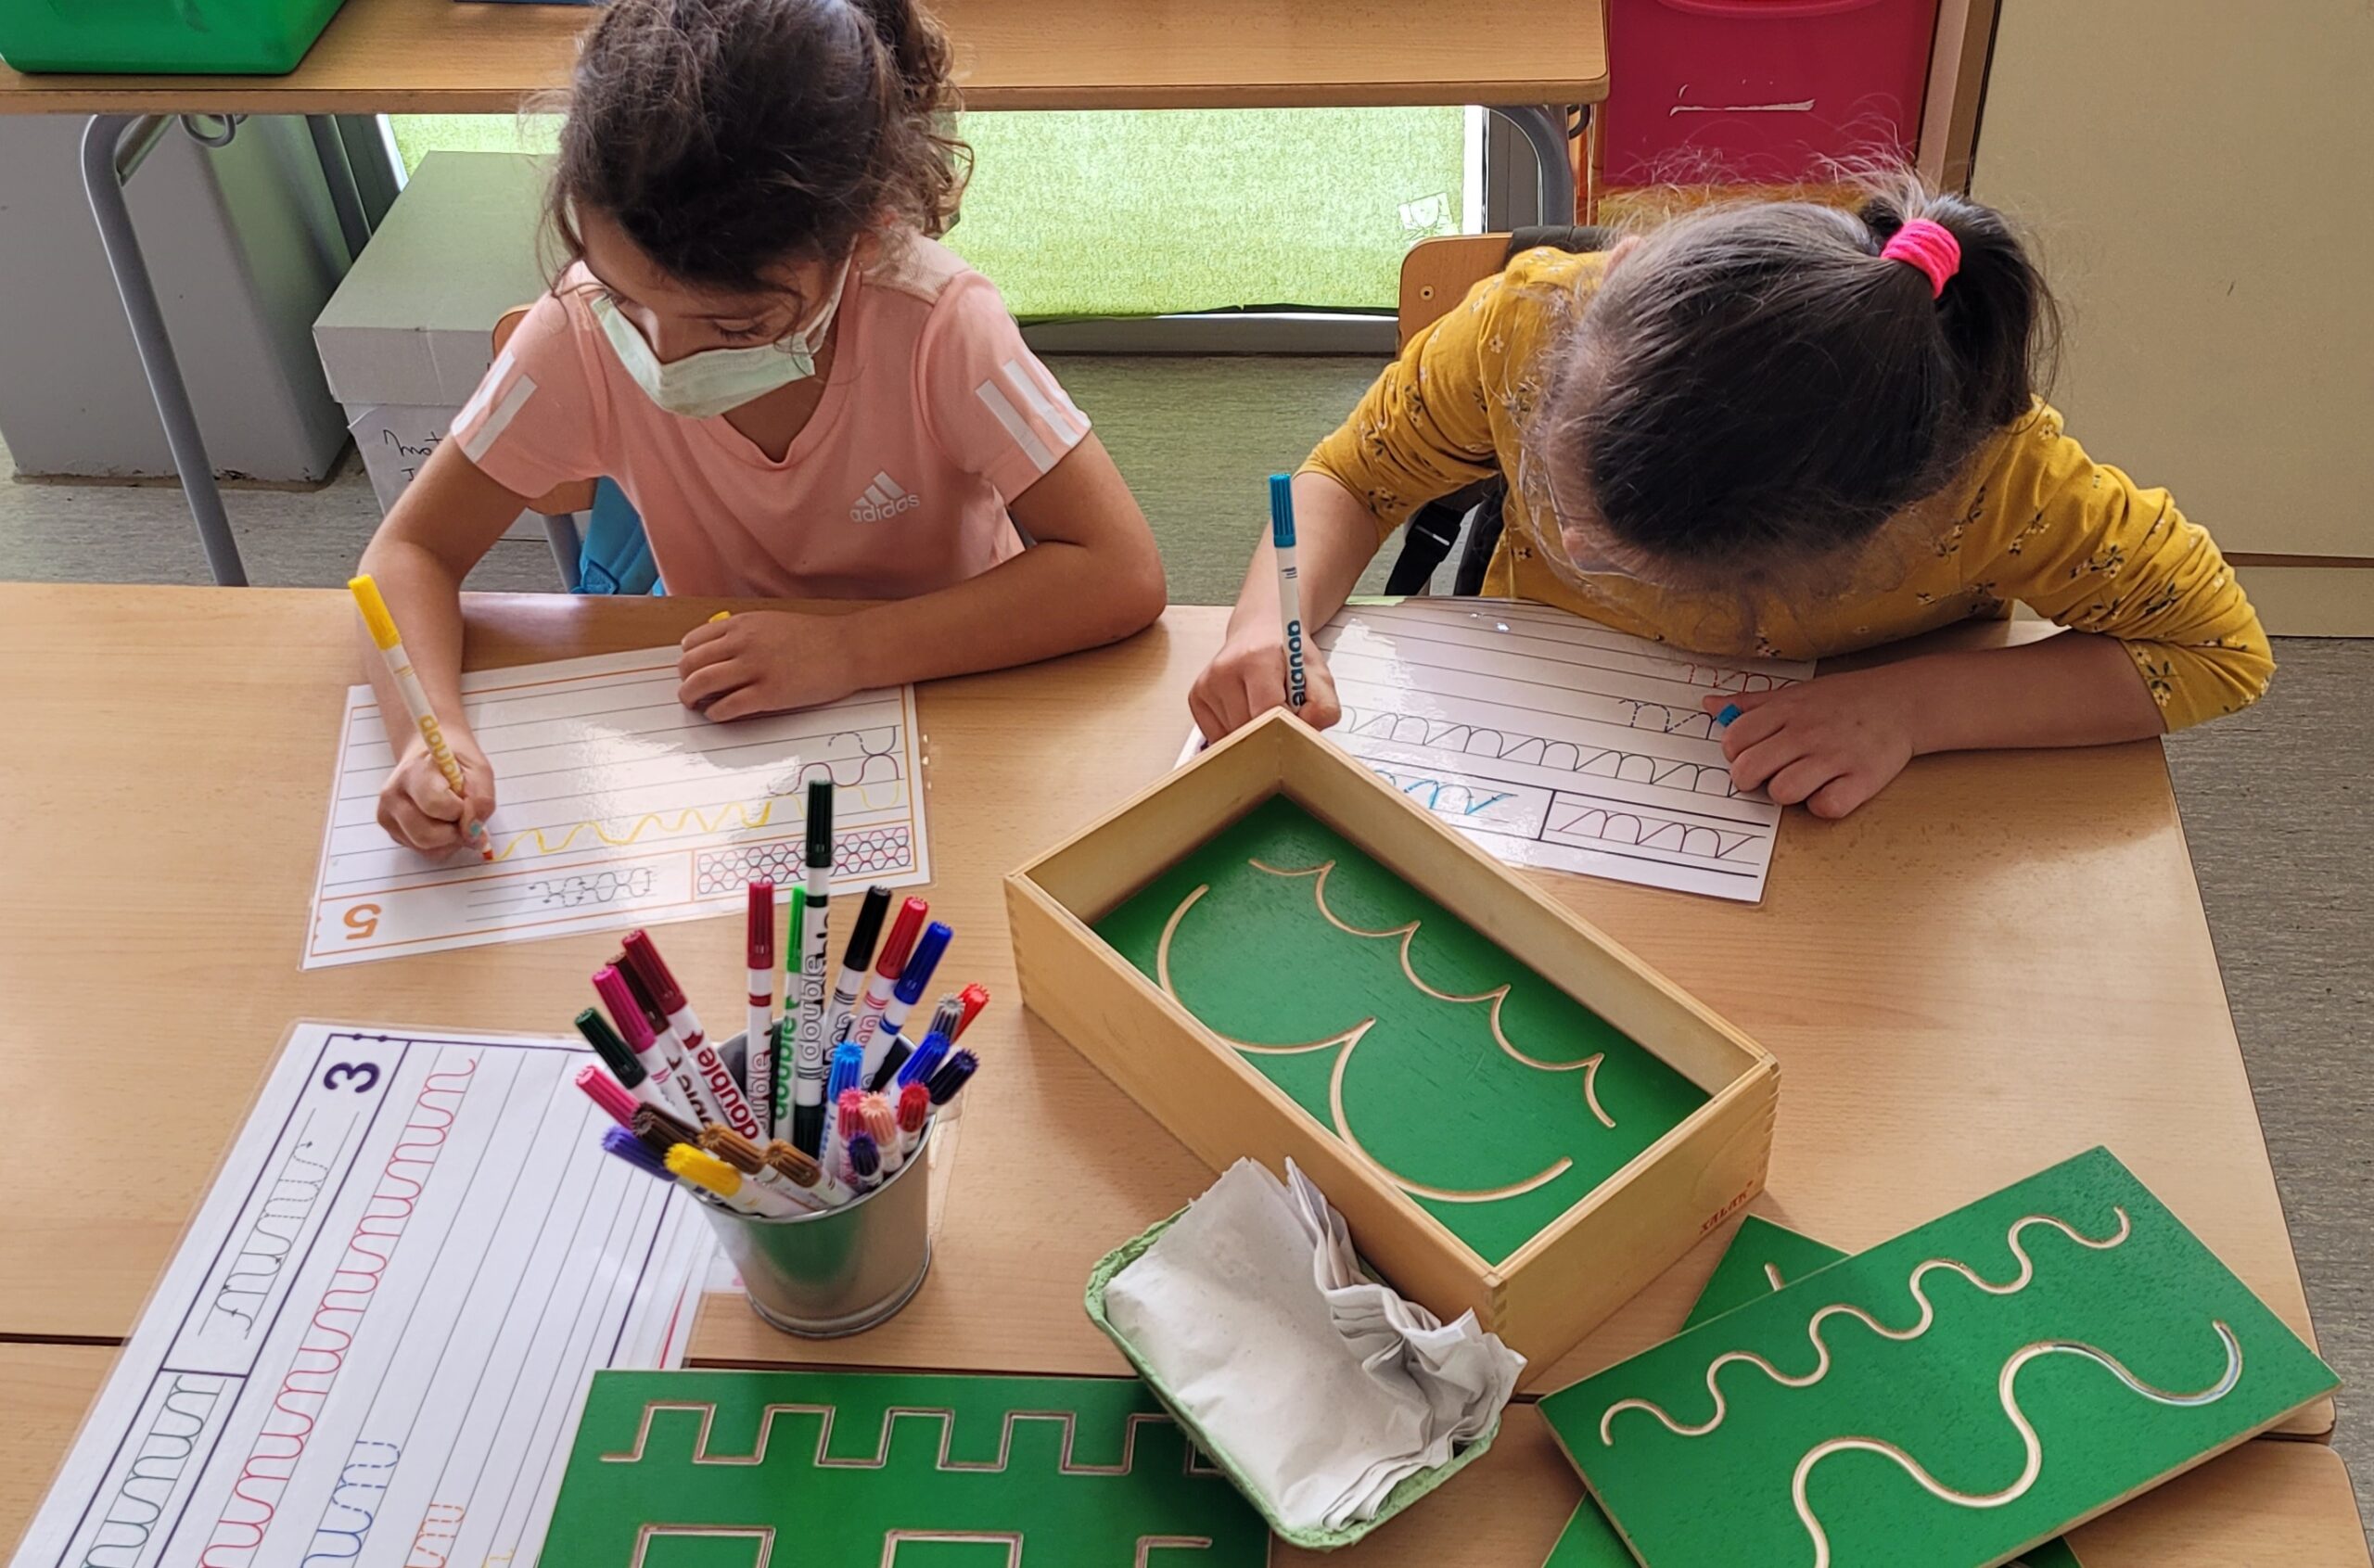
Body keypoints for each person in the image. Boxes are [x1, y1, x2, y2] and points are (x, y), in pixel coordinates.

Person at [1190, 178, 2270, 819]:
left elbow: (2218, 653)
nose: (1567, 539)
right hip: (1529, 749)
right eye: (1558, 492)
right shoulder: (1528, 324)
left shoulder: (2001, 488)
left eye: (1617, 553)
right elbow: (1351, 476)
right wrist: (1267, 619)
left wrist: (1911, 709)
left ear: (1848, 539)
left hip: (1846, 818)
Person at [360, 0, 1164, 854]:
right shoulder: (580, 331)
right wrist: (427, 734)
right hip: (736, 723)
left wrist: (850, 651)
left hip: (957, 676)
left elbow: (1119, 569)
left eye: (735, 328)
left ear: (863, 236)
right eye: (627, 299)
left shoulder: (938, 326)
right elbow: (409, 552)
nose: (664, 357)